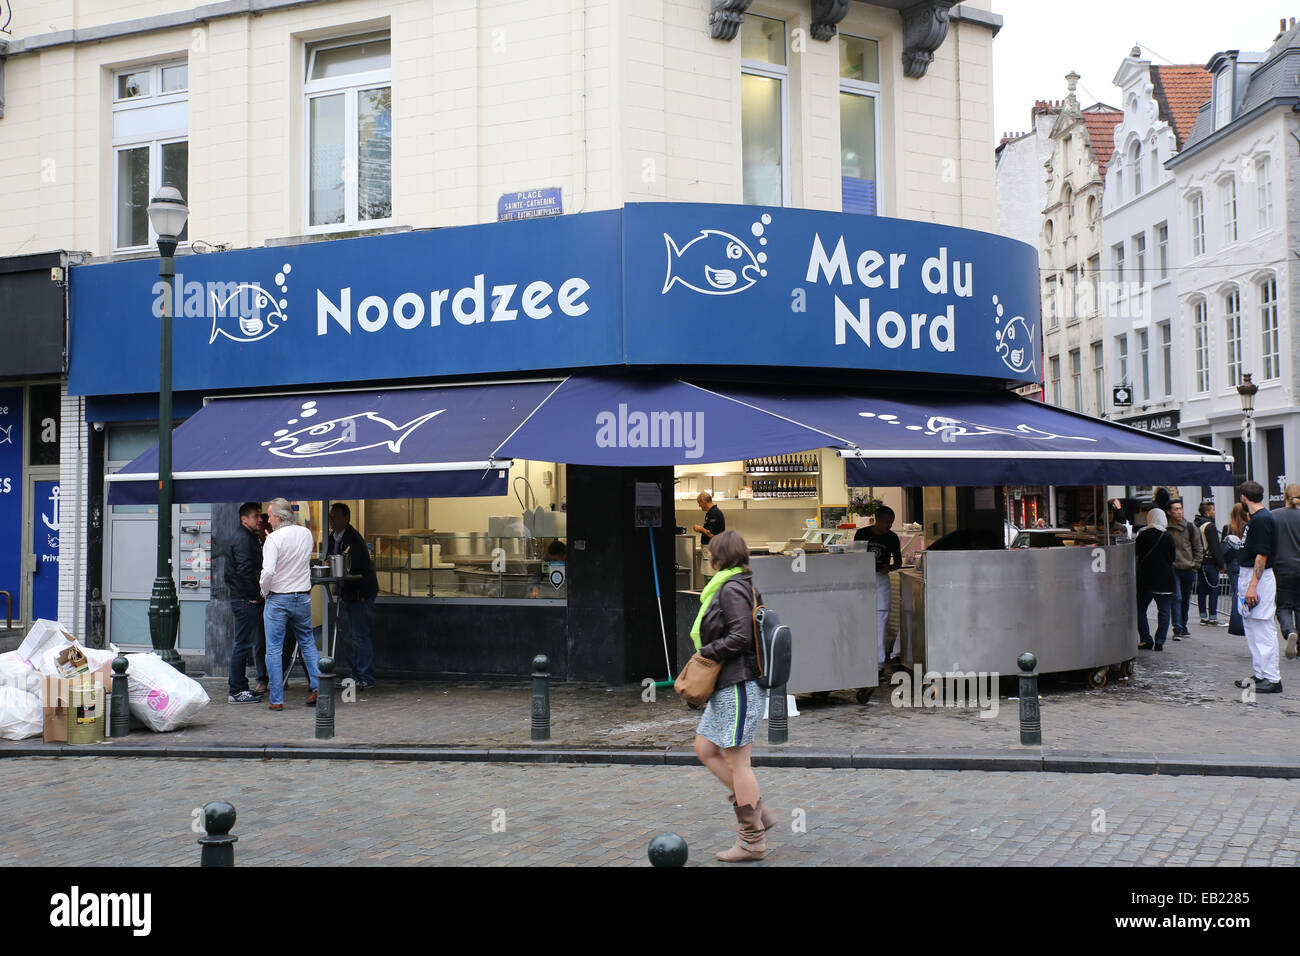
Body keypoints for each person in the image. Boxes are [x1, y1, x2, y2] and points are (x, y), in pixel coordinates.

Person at [689, 530, 772, 862]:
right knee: (705, 747)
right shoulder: (731, 586)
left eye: (710, 553)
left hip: (738, 685)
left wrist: (706, 653)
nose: (707, 559)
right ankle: (757, 810)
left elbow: (740, 636)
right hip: (727, 685)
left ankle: (752, 840)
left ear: (718, 557)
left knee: (739, 762)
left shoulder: (732, 589)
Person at [260, 497, 321, 710]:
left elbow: (268, 571)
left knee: (274, 649)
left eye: (269, 516)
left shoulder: (273, 540)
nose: (267, 520)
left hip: (278, 598)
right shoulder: (305, 534)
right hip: (302, 596)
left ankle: (276, 699)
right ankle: (318, 687)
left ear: (278, 517)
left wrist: (264, 591)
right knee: (308, 642)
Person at [326, 502, 380, 691]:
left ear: (346, 518)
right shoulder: (333, 537)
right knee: (354, 635)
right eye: (331, 517)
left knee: (360, 635)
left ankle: (365, 676)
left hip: (360, 592)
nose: (332, 521)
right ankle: (357, 673)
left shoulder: (353, 539)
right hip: (348, 592)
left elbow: (353, 566)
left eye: (336, 517)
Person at [1236, 481, 1282, 693]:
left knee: (1262, 627)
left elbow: (1262, 555)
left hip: (1259, 578)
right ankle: (1261, 673)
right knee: (1253, 627)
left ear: (1244, 497)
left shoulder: (1262, 520)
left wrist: (1252, 586)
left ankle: (1271, 677)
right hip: (1253, 576)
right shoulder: (1258, 519)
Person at [854, 505, 903, 673]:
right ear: (877, 520)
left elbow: (898, 562)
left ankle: (879, 663)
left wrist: (889, 568)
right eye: (887, 522)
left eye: (891, 523)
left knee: (880, 621)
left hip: (881, 579)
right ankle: (862, 658)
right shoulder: (862, 534)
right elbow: (855, 557)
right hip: (862, 579)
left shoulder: (892, 537)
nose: (889, 525)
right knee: (862, 620)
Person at [226, 502, 266, 703]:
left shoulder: (247, 537)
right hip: (245, 599)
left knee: (243, 644)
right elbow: (244, 570)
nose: (260, 519)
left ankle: (239, 686)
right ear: (244, 519)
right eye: (255, 516)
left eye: (260, 516)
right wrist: (254, 595)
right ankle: (236, 690)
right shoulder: (243, 539)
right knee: (242, 645)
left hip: (243, 597)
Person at [1134, 508, 1176, 651]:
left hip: (1145, 579)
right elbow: (1172, 558)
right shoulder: (1168, 536)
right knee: (1164, 611)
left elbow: (1137, 554)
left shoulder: (1143, 535)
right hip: (1165, 580)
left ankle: (1146, 639)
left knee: (1140, 610)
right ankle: (1160, 641)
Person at [1166, 499, 1204, 640]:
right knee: (1176, 598)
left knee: (1186, 599)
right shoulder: (1166, 528)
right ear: (1169, 512)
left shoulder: (1190, 526)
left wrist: (1196, 565)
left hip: (1188, 568)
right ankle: (1177, 628)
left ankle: (1183, 625)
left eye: (1180, 508)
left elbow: (1198, 547)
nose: (1179, 511)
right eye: (1175, 509)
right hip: (1173, 569)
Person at [1272, 483, 1300, 660]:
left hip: (1282, 567)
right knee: (1299, 606)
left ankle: (1290, 631)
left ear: (1284, 496)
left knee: (1283, 606)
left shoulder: (1274, 516)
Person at [1194, 501, 1226, 627]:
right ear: (1207, 512)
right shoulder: (1210, 526)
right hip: (1210, 561)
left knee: (1202, 589)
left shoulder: (1196, 524)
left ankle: (1203, 616)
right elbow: (1215, 547)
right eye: (1213, 510)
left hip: (1200, 561)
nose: (1214, 512)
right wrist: (1221, 564)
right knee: (1214, 588)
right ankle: (1213, 617)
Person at [1222, 503, 1248, 635]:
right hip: (1245, 563)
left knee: (1235, 592)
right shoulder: (1249, 526)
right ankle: (1246, 617)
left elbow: (1223, 547)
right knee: (1246, 592)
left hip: (1232, 564)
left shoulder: (1228, 528)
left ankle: (1236, 620)